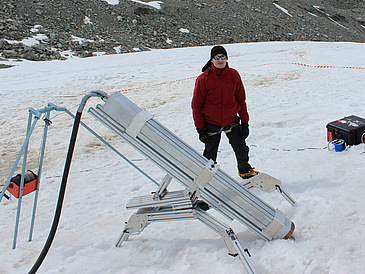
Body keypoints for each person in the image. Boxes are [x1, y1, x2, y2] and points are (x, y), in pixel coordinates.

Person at [191, 45, 257, 179]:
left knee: (241, 149)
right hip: (211, 122)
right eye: (217, 57)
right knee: (210, 154)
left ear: (227, 59)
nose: (220, 60)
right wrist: (200, 128)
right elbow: (196, 105)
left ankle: (245, 171)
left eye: (223, 57)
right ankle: (206, 179)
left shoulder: (233, 75)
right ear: (211, 60)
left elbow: (241, 100)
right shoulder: (203, 79)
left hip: (231, 120)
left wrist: (245, 122)